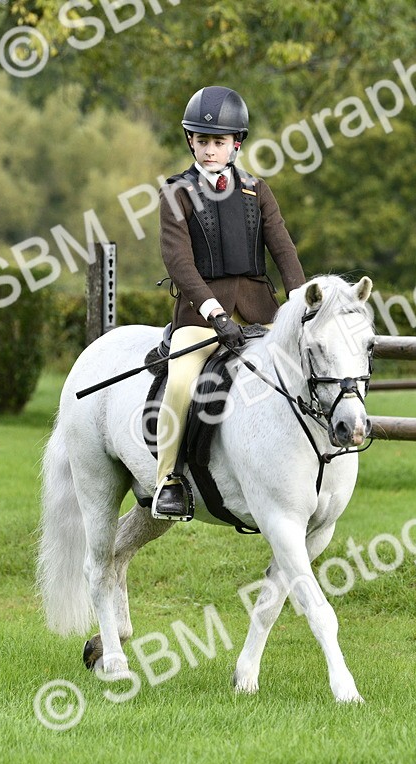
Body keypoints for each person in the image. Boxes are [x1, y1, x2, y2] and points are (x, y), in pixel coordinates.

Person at [151, 86, 306, 520]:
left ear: (236, 144)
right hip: (202, 316)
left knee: (311, 367)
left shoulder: (258, 190)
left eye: (218, 142)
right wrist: (214, 313)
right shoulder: (175, 193)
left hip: (260, 312)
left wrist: (301, 301)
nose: (210, 150)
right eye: (202, 141)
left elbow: (283, 249)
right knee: (181, 381)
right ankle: (169, 480)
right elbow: (179, 262)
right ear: (190, 141)